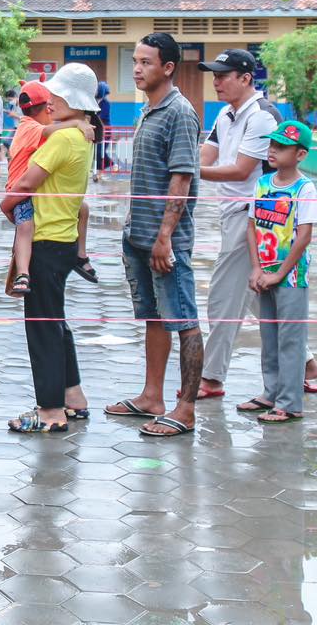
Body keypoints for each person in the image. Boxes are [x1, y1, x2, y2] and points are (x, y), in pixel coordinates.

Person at [105, 32, 204, 438]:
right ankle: (152, 396)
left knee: (184, 320)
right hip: (139, 237)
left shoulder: (180, 112)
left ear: (168, 67)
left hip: (167, 241)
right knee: (154, 318)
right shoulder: (149, 111)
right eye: (135, 62)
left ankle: (186, 408)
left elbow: (181, 181)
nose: (138, 69)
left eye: (146, 62)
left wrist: (165, 238)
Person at [0, 63, 97, 434]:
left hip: (46, 239)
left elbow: (26, 181)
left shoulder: (63, 140)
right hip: (64, 239)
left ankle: (51, 411)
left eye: (55, 96)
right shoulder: (81, 136)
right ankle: (73, 397)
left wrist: (6, 205)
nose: (50, 102)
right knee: (55, 323)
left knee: (42, 329)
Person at [196, 49, 281, 401]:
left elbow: (242, 169)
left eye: (223, 75)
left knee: (223, 297)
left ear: (246, 78)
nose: (216, 82)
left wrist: (186, 172)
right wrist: (186, 163)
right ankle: (305, 366)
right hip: (233, 210)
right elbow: (207, 153)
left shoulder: (260, 117)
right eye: (214, 75)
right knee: (258, 298)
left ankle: (212, 378)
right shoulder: (227, 114)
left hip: (255, 213)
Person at [238, 120, 317, 424]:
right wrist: (258, 268)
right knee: (269, 337)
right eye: (272, 144)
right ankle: (271, 392)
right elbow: (251, 227)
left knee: (291, 340)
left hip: (292, 279)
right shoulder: (262, 184)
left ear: (300, 154)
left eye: (282, 147)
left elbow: (304, 236)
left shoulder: (304, 188)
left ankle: (290, 403)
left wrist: (279, 274)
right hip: (264, 275)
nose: (273, 150)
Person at [5, 81, 96, 297]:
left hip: (29, 188)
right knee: (25, 227)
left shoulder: (32, 127)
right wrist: (77, 123)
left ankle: (81, 255)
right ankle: (23, 274)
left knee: (83, 209)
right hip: (19, 188)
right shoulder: (30, 127)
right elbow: (48, 130)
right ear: (46, 108)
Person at [95, 79, 113, 171]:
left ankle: (108, 165)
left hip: (105, 129)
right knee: (98, 150)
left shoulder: (105, 103)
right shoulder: (96, 102)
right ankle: (102, 167)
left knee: (100, 150)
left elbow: (101, 117)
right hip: (99, 129)